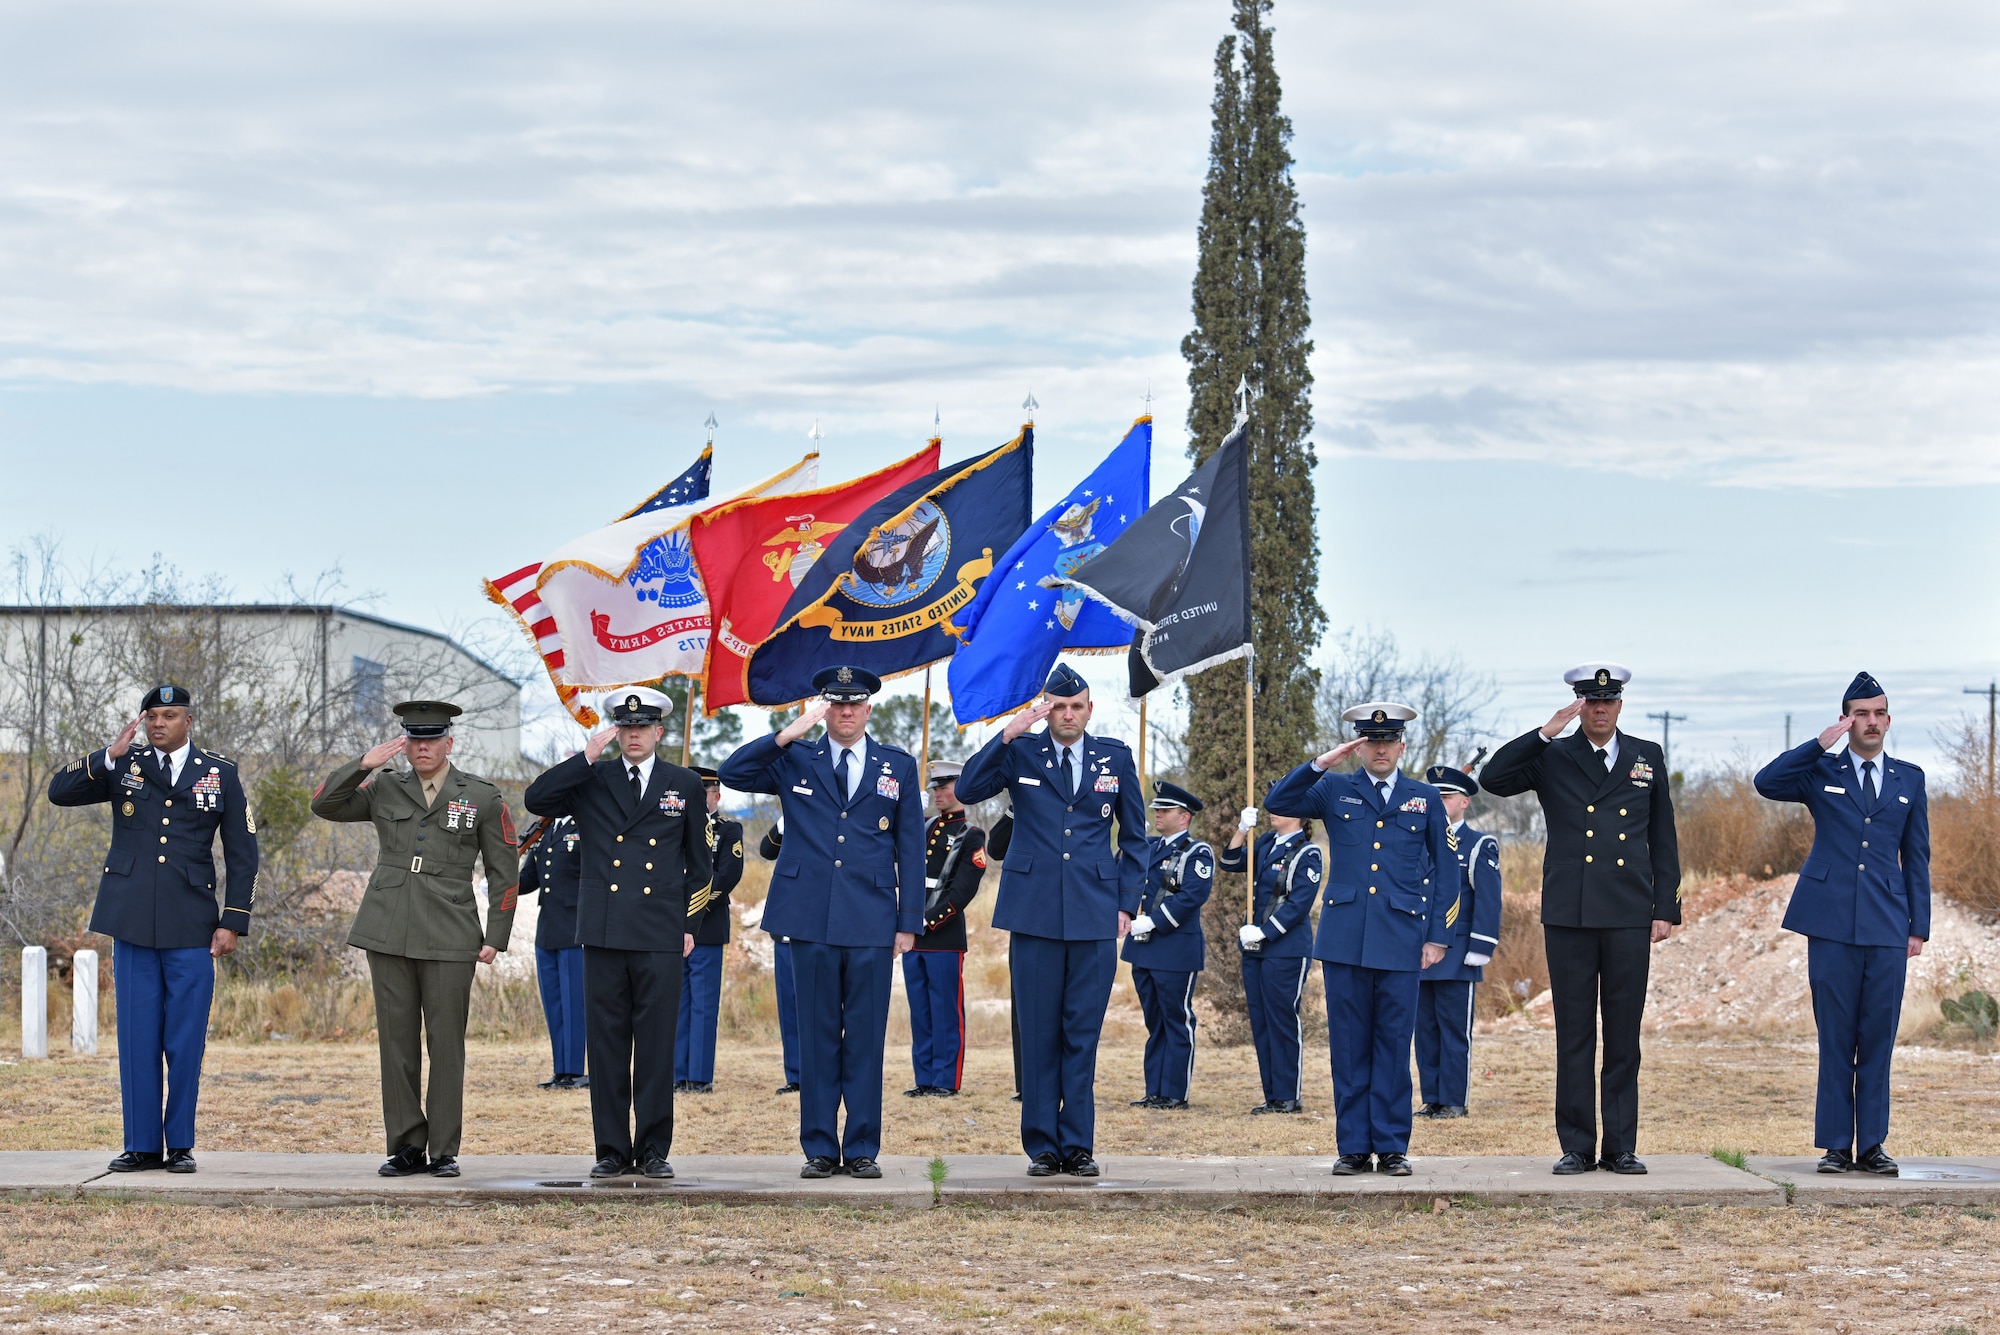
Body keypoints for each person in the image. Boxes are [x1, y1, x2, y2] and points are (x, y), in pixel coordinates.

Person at [719, 665, 924, 1180]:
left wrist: (908, 922)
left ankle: (860, 1147)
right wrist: (787, 733)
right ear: (823, 709)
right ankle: (818, 1146)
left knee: (865, 1037)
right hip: (808, 917)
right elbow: (732, 774)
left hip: (872, 919)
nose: (846, 712)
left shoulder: (895, 765)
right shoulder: (795, 759)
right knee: (816, 1035)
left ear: (868, 709)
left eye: (855, 704)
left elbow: (911, 848)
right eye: (836, 704)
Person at [47, 684, 259, 1175]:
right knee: (138, 1038)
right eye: (151, 716)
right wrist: (106, 754)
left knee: (185, 1039)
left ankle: (180, 1143)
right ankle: (141, 1144)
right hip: (133, 919)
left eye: (168, 715)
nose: (157, 724)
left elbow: (243, 853)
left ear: (189, 720)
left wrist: (234, 920)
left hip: (192, 922)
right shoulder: (125, 764)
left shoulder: (219, 773)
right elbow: (60, 792)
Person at [1480, 663, 1681, 1176]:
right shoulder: (1555, 756)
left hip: (1629, 912)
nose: (1599, 710)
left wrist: (1665, 908)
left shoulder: (1646, 756)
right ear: (1578, 706)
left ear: (1619, 705)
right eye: (1590, 702)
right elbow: (1493, 779)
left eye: (1607, 701)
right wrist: (1545, 732)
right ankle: (1576, 1145)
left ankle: (1620, 1147)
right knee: (1573, 1033)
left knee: (1623, 1034)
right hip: (1571, 912)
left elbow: (1662, 835)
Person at [311, 699, 519, 1179]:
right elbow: (323, 804)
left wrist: (496, 935)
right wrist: (363, 764)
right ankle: (406, 1145)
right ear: (403, 744)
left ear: (450, 742)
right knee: (397, 1044)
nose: (422, 748)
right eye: (414, 740)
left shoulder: (482, 796)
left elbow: (503, 872)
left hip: (451, 930)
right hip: (388, 926)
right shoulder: (385, 786)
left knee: (446, 1045)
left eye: (431, 740)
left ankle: (443, 1149)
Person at [955, 663, 1147, 1178]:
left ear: (1089, 709)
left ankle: (1078, 1144)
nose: (1067, 715)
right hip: (1035, 910)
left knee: (1081, 1031)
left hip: (1094, 910)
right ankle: (1041, 1144)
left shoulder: (1115, 757)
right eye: (1058, 707)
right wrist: (1009, 731)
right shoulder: (1021, 751)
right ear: (1046, 711)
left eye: (1076, 706)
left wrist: (1128, 902)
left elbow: (1134, 837)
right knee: (1038, 1031)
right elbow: (970, 789)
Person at [523, 687, 711, 1181]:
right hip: (604, 930)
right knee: (605, 1045)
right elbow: (535, 798)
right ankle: (610, 1148)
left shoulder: (683, 783)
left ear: (659, 732)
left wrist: (688, 925)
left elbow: (700, 864)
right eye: (625, 728)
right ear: (616, 732)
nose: (634, 735)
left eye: (642, 728)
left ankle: (652, 1150)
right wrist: (585, 757)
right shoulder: (592, 778)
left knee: (654, 1046)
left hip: (658, 932)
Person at [1265, 702, 1451, 1177]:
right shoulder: (1334, 788)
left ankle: (1390, 1147)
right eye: (1371, 741)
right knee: (1349, 1046)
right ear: (1360, 747)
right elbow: (1280, 802)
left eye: (1389, 741)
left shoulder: (1423, 797)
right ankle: (1352, 1147)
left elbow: (1447, 872)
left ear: (1402, 746)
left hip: (1402, 938)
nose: (1381, 748)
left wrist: (1437, 937)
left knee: (1393, 1044)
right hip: (1345, 937)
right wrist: (1322, 762)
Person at [1753, 671, 1928, 1177]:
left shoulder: (1909, 778)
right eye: (1860, 714)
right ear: (1847, 718)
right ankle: (1834, 1146)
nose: (1869, 722)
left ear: (1888, 720)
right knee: (1835, 1037)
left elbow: (1917, 856)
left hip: (1889, 924)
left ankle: (1871, 1145)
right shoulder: (1819, 770)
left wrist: (1919, 927)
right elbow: (1767, 783)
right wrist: (1816, 744)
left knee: (1878, 1037)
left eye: (1877, 714)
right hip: (1829, 922)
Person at [1219, 799, 1320, 1115]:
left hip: (1286, 948)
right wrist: (1240, 829)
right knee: (1262, 1022)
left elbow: (1298, 904)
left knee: (1282, 1019)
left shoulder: (1308, 852)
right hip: (1255, 947)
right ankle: (1273, 1096)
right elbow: (1230, 861)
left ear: (1300, 815)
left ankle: (1289, 1095)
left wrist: (1266, 932)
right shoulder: (1264, 843)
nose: (1274, 810)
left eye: (1282, 805)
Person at [1413, 765, 1503, 1120]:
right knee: (1425, 1031)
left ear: (1464, 802)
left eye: (1446, 797)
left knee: (1453, 1031)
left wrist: (1481, 947)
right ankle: (1432, 1098)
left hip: (1458, 953)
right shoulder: (1418, 841)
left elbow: (1488, 900)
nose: (1440, 802)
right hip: (1419, 952)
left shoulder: (1478, 844)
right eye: (1434, 797)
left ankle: (1453, 1100)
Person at [1123, 781, 1214, 1110]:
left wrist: (1155, 920)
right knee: (1154, 1021)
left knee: (1176, 1019)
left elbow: (1193, 895)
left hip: (1175, 948)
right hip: (1143, 947)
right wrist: (1132, 834)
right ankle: (1155, 1090)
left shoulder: (1197, 852)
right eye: (1156, 809)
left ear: (1185, 817)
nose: (1158, 814)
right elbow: (1123, 871)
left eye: (1166, 809)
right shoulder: (1147, 846)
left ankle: (1175, 1092)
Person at [903, 760, 990, 1097]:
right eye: (934, 787)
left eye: (944, 786)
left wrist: (928, 919)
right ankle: (924, 1078)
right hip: (913, 935)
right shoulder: (923, 827)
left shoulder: (972, 835)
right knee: (921, 1011)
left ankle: (945, 1080)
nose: (937, 792)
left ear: (962, 787)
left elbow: (962, 890)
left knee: (945, 1012)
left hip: (943, 934)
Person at [676, 765, 743, 1094]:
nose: (698, 799)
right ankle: (676, 1074)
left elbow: (727, 875)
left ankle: (699, 1076)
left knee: (703, 1005)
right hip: (671, 927)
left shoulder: (728, 831)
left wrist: (693, 910)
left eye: (703, 793)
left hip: (707, 925)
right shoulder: (673, 826)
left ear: (716, 795)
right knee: (676, 1003)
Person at [522, 814, 588, 1090]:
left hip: (574, 927)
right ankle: (561, 1070)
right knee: (554, 1003)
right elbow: (529, 879)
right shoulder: (545, 830)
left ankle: (574, 1071)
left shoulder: (585, 826)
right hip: (547, 927)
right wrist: (502, 885)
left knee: (574, 1003)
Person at [757, 819, 802, 1095]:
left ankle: (819, 1072)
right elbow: (766, 850)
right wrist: (781, 823)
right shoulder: (790, 823)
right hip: (786, 927)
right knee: (789, 1008)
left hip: (817, 928)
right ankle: (795, 1074)